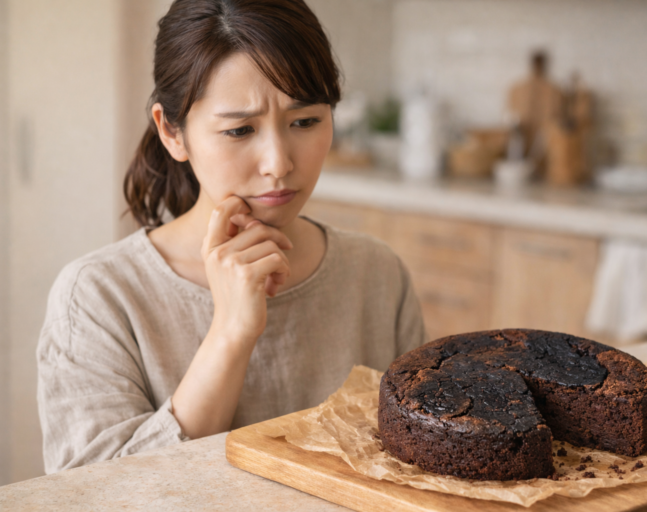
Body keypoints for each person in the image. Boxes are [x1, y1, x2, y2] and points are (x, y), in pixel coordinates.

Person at [36, 0, 426, 474]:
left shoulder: (377, 273)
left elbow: (417, 465)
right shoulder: (98, 296)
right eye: (240, 130)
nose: (278, 163)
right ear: (172, 132)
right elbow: (89, 499)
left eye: (305, 122)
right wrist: (230, 334)